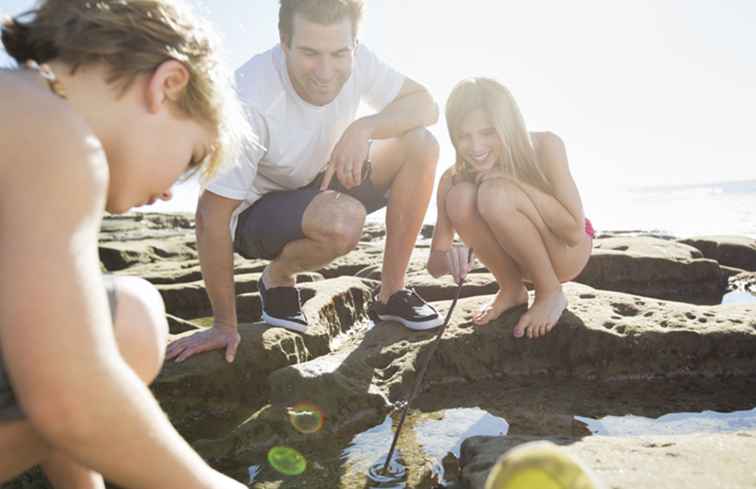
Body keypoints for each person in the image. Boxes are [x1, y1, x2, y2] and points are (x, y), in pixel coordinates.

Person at [0, 1, 252, 487]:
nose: (167, 192)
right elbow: (70, 397)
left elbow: (55, 355)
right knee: (133, 319)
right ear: (168, 85)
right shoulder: (57, 135)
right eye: (188, 160)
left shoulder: (21, 102)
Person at [167, 0, 443, 364]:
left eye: (339, 53)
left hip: (318, 180)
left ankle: (391, 294)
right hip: (257, 215)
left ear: (354, 46)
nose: (326, 71)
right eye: (310, 53)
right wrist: (223, 324)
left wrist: (365, 127)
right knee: (345, 222)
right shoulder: (249, 100)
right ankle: (278, 275)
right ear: (285, 43)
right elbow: (211, 216)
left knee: (420, 144)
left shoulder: (359, 60)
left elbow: (425, 105)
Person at [426, 78, 594, 339]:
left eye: (487, 132)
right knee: (460, 197)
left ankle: (550, 292)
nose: (476, 147)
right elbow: (434, 265)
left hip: (565, 252)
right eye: (464, 136)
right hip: (516, 260)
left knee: (494, 193)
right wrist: (450, 259)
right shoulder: (452, 178)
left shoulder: (545, 146)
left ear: (508, 125)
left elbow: (574, 232)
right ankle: (511, 290)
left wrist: (511, 181)